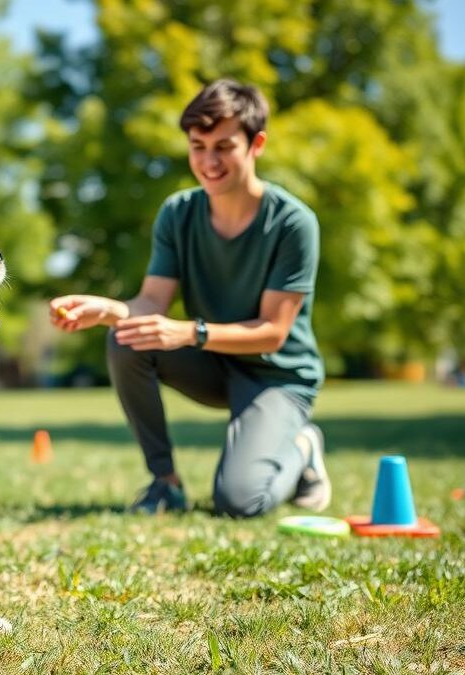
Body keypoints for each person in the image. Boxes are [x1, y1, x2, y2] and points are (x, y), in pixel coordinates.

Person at [49, 79, 328, 517]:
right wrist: (110, 311)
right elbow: (151, 303)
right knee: (125, 337)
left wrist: (189, 332)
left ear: (257, 144)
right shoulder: (178, 213)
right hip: (213, 363)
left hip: (278, 377)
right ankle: (165, 483)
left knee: (239, 502)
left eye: (223, 146)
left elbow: (274, 333)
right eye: (198, 146)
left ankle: (303, 449)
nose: (208, 161)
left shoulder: (293, 223)